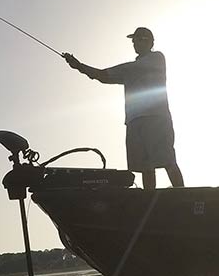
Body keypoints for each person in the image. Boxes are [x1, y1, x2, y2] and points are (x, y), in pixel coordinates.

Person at [63, 27, 185, 190]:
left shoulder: (156, 58)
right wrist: (79, 67)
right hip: (134, 121)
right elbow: (103, 76)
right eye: (134, 41)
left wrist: (82, 67)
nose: (135, 43)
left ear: (150, 42)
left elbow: (108, 73)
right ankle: (149, 199)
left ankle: (183, 193)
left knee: (167, 160)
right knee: (145, 165)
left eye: (139, 40)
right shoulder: (131, 69)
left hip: (157, 118)